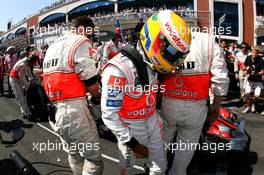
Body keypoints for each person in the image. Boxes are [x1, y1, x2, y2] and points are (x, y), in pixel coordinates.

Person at [101, 10, 192, 175]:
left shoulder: (154, 63)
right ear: (156, 40)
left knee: (159, 168)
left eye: (179, 56)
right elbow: (109, 114)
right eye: (172, 53)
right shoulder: (118, 69)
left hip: (152, 120)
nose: (174, 61)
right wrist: (133, 143)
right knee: (126, 169)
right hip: (129, 125)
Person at [159, 17, 230, 175]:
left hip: (168, 103)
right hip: (196, 107)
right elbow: (221, 80)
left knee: (161, 146)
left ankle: (156, 170)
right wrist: (215, 108)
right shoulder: (209, 41)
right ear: (198, 26)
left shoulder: (167, 38)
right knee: (184, 152)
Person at [42, 16, 103, 175]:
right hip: (75, 110)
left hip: (56, 109)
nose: (90, 38)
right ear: (83, 29)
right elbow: (90, 80)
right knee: (93, 160)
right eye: (90, 34)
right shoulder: (80, 41)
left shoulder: (52, 46)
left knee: (74, 154)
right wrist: (98, 97)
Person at [9, 53, 37, 119]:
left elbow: (29, 73)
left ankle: (24, 112)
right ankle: (28, 114)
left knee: (23, 96)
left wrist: (32, 79)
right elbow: (22, 78)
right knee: (20, 96)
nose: (32, 64)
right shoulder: (22, 64)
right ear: (30, 61)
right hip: (14, 79)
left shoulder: (28, 62)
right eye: (32, 63)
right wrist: (28, 84)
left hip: (19, 78)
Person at [242, 47, 264, 114]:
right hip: (250, 80)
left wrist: (252, 75)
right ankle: (248, 107)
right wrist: (245, 70)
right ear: (251, 52)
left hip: (258, 81)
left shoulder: (261, 59)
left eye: (256, 53)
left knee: (256, 96)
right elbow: (244, 66)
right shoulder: (248, 58)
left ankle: (253, 104)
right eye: (253, 52)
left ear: (257, 53)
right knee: (247, 94)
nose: (254, 54)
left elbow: (262, 72)